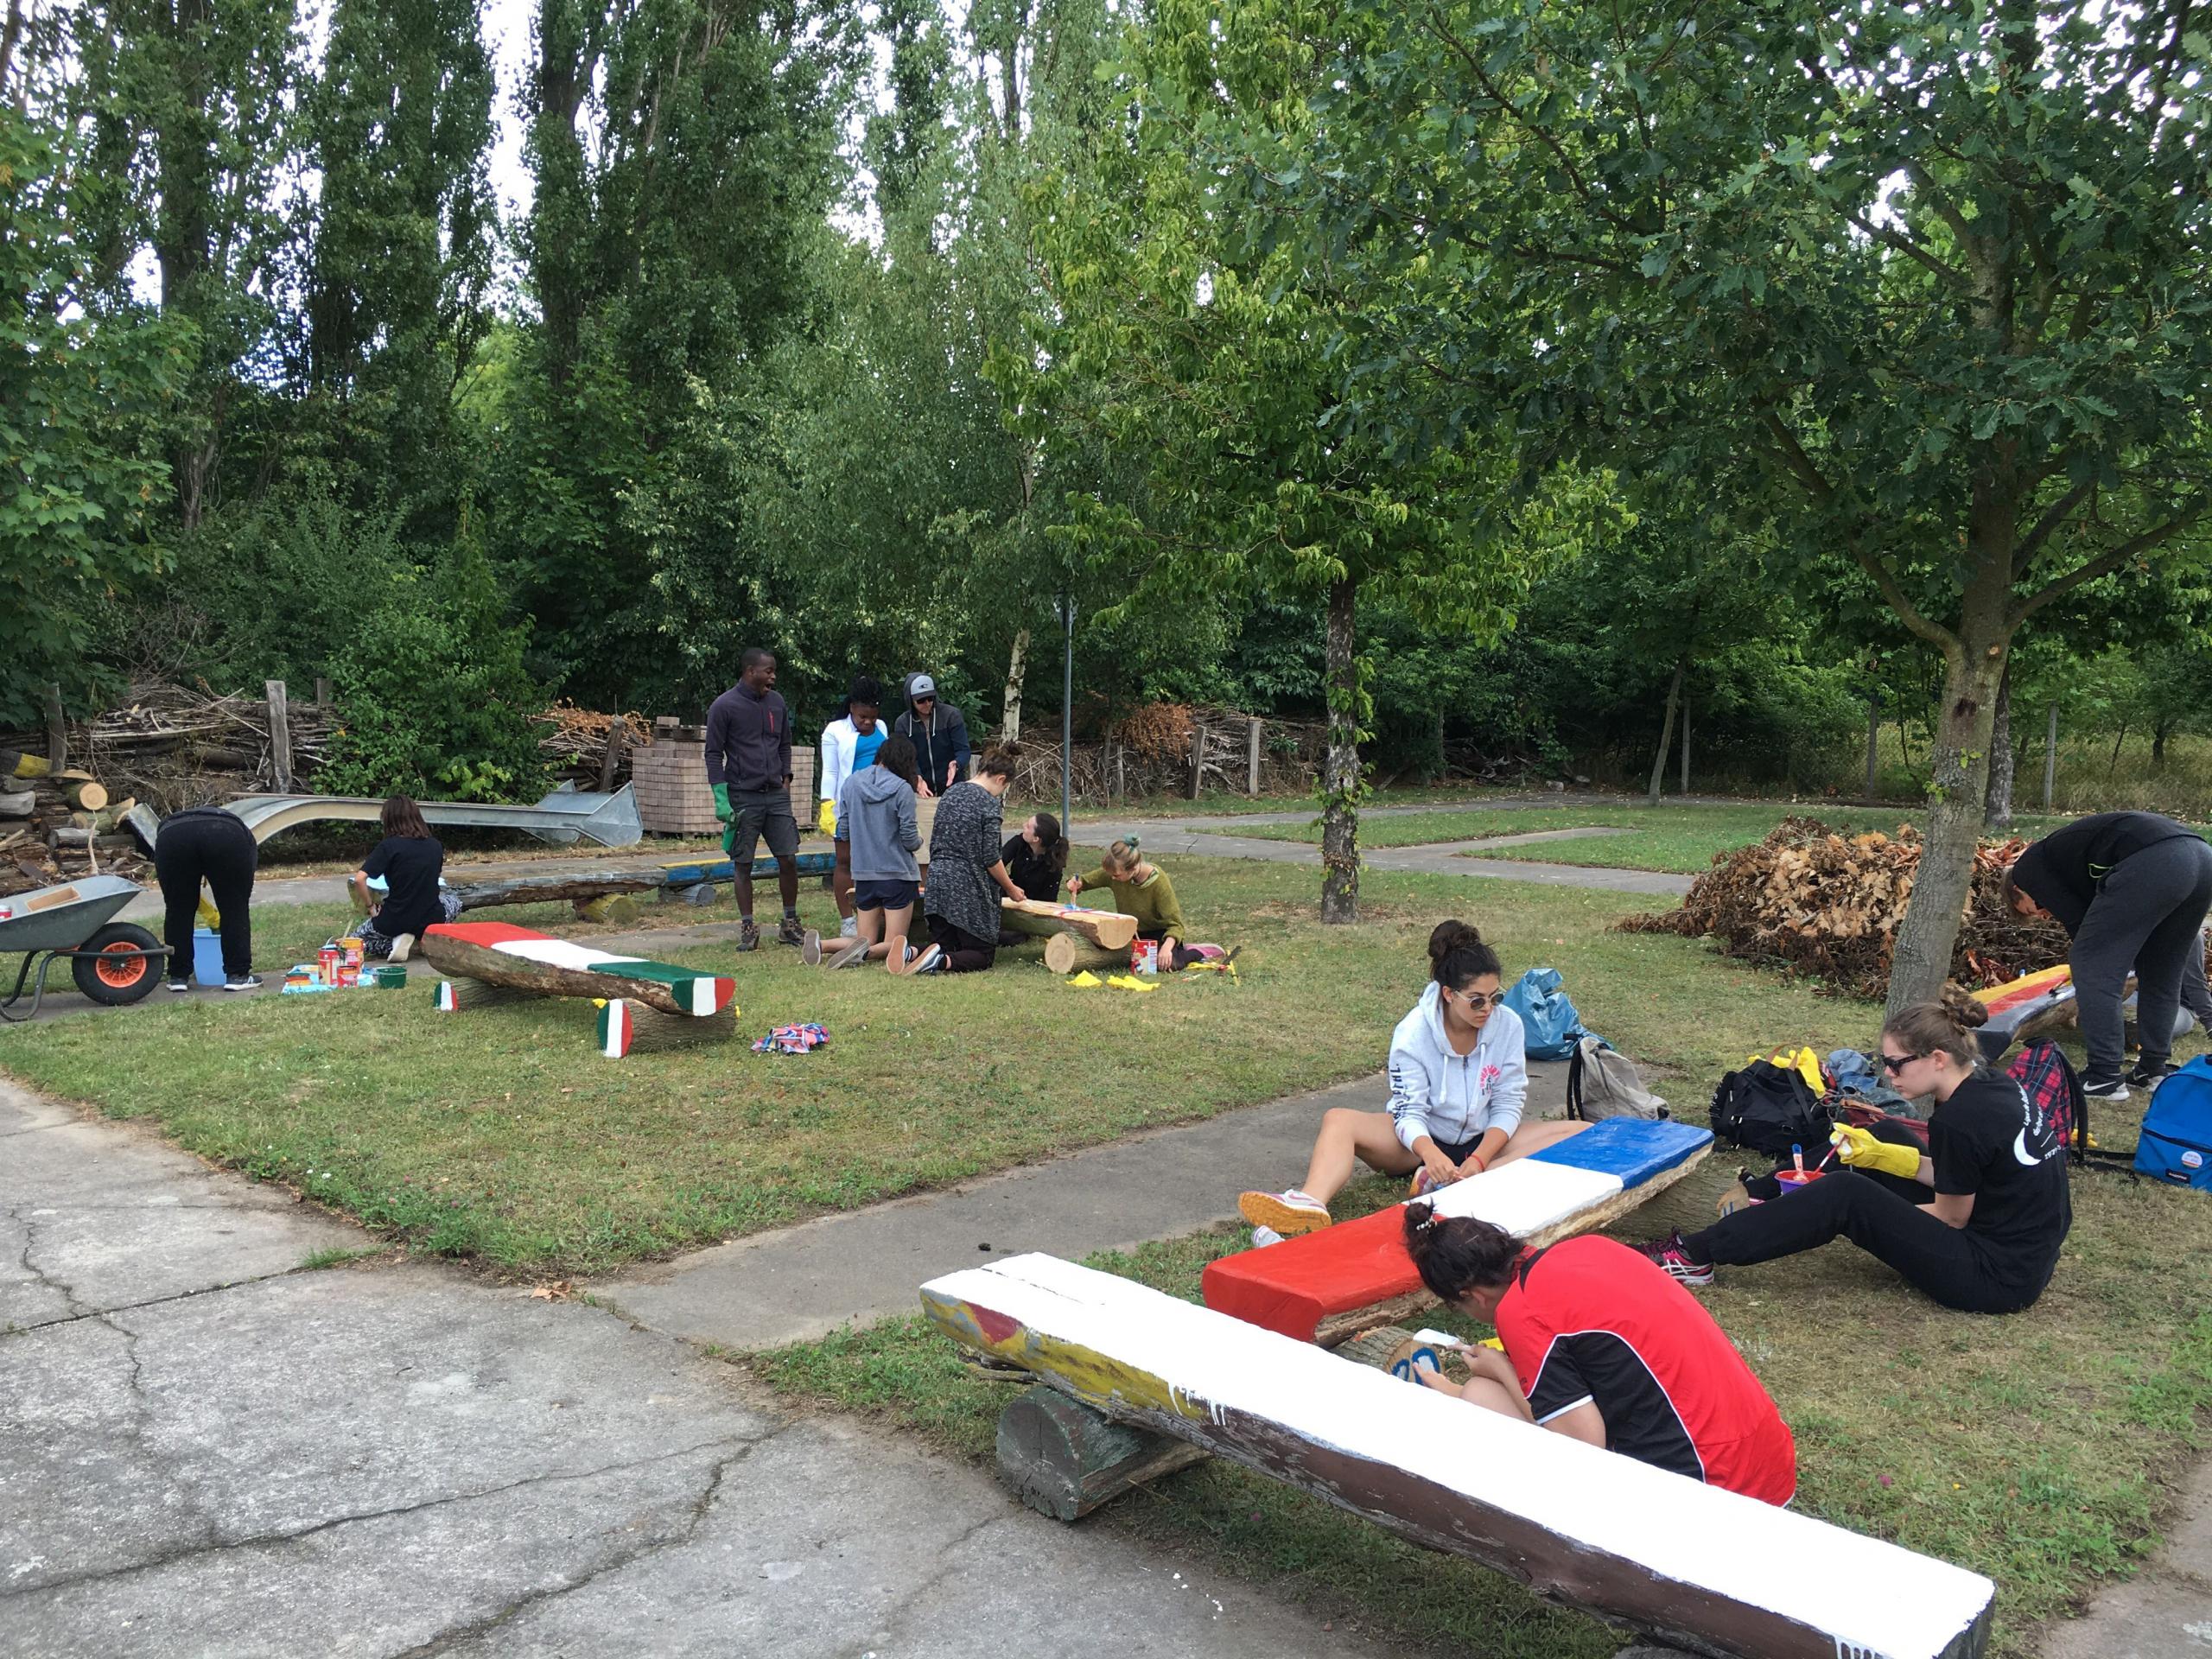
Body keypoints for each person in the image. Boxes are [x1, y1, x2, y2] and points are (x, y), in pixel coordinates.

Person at [1640, 989, 2072, 1315]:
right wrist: (1880, 1156)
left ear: (1938, 1058)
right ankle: (1759, 1193)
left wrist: (1861, 1212)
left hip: (1995, 1277)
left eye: (1897, 1064)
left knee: (1846, 1195)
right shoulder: (1990, 1084)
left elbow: (1952, 1216)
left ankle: (1693, 1256)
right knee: (1883, 1133)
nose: (1888, 1074)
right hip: (2020, 1251)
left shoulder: (1960, 1119)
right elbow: (1959, 1174)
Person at [1400, 1203, 1797, 1506]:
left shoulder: (1523, 1311)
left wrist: (1500, 1367)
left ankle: (1448, 1401)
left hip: (1715, 1492)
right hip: (1769, 1466)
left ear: (1473, 1295)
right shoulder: (1589, 1247)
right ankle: (1450, 1394)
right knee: (1485, 1392)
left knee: (1481, 1396)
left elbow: (1581, 1445)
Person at [1239, 920, 1586, 1235]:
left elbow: (1509, 1103)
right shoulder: (1413, 1032)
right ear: (1449, 994)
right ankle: (1311, 1201)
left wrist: (1479, 1159)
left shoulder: (1507, 1025)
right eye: (1476, 1001)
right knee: (1339, 1120)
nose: (1488, 1009)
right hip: (1418, 1145)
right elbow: (1408, 1111)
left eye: (1495, 997)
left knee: (1583, 1133)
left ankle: (1471, 1179)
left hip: (1483, 1140)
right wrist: (1430, 1153)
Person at [2003, 810, 2212, 1099]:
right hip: (2202, 858)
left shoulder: (2027, 870)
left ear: (2018, 889)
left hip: (2159, 860)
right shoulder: (2066, 864)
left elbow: (2082, 928)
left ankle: (2104, 1076)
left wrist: (2091, 977)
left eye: (2033, 908)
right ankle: (2153, 1070)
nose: (2044, 913)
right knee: (2161, 970)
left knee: (2091, 964)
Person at [705, 647, 803, 950]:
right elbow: (713, 754)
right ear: (750, 671)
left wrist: (786, 779)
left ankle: (790, 923)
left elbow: (784, 744)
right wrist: (721, 797)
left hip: (776, 795)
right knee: (743, 863)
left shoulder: (777, 703)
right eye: (768, 671)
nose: (773, 677)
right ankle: (748, 926)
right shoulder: (724, 706)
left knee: (788, 858)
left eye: (774, 671)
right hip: (742, 795)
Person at [819, 734, 931, 973]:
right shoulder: (902, 789)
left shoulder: (851, 783)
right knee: (895, 942)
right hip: (897, 874)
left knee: (865, 937)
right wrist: (920, 842)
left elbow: (843, 831)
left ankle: (823, 945)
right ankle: (863, 954)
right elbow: (909, 838)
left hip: (863, 873)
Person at [917, 747, 1026, 973]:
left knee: (945, 945)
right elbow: (991, 858)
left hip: (937, 882)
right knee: (982, 954)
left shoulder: (951, 793)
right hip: (966, 888)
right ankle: (936, 963)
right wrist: (1011, 888)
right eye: (1004, 788)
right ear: (1001, 779)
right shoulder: (988, 803)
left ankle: (912, 953)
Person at [1064, 837, 1229, 972]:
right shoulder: (1116, 871)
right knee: (1129, 960)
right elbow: (1086, 880)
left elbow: (1175, 924)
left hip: (1160, 934)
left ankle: (1196, 952)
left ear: (1133, 868)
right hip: (1132, 933)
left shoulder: (1158, 882)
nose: (1112, 878)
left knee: (1167, 965)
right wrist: (1075, 883)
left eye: (1116, 875)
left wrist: (1167, 947)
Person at [149, 804, 261, 992]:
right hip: (225, 834)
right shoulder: (239, 829)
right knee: (234, 907)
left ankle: (178, 977)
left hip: (172, 836)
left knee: (178, 908)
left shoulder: (170, 825)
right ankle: (238, 975)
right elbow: (245, 874)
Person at [818, 676, 888, 940]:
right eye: (862, 717)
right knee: (846, 862)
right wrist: (827, 803)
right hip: (848, 804)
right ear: (851, 708)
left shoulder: (882, 727)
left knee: (877, 862)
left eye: (872, 717)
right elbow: (831, 771)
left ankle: (875, 917)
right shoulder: (835, 731)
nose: (868, 722)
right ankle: (847, 920)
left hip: (879, 803)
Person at [350, 796, 459, 960]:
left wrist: (371, 907)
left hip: (395, 919)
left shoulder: (389, 846)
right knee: (455, 901)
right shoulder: (435, 845)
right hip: (431, 917)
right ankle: (423, 939)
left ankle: (399, 943)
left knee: (356, 942)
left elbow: (360, 879)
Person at [896, 673, 970, 798]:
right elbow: (907, 758)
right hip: (920, 790)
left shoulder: (951, 716)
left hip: (953, 787)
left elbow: (963, 750)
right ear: (910, 699)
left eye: (930, 698)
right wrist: (916, 776)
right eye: (921, 700)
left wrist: (956, 764)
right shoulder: (903, 723)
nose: (927, 703)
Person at [1001, 811, 1068, 904]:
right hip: (1008, 899)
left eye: (1028, 826)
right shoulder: (1019, 842)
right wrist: (1009, 887)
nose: (1023, 825)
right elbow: (998, 862)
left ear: (1036, 839)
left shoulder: (1053, 864)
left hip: (1035, 906)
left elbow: (1049, 900)